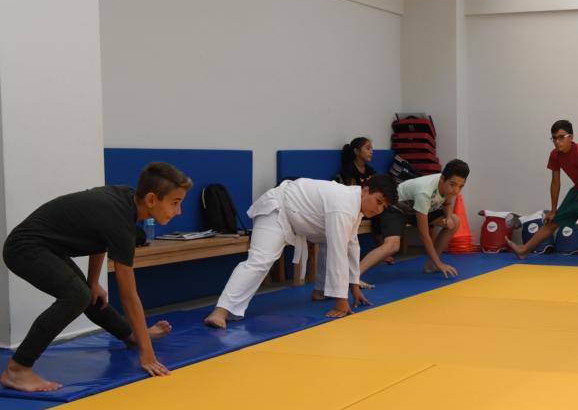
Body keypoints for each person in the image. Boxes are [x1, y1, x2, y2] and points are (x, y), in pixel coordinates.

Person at [1, 162, 192, 392]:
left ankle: (130, 335)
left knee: (88, 295)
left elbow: (99, 235)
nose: (178, 211)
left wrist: (93, 282)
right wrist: (148, 354)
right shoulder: (121, 223)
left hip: (45, 247)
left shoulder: (126, 200)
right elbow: (129, 295)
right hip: (24, 247)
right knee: (76, 295)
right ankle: (17, 369)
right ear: (151, 199)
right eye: (175, 203)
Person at [204, 173, 397, 328]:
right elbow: (338, 253)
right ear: (365, 190)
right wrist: (341, 302)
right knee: (261, 260)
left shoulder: (355, 206)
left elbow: (351, 245)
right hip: (277, 209)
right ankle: (220, 311)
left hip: (297, 219)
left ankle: (321, 290)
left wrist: (353, 285)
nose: (379, 210)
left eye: (384, 206)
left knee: (338, 241)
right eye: (378, 201)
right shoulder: (344, 204)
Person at [505, 119, 578, 266]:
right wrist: (553, 210)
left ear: (571, 137)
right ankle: (524, 250)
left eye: (561, 137)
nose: (557, 142)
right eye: (554, 138)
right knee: (553, 221)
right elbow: (555, 183)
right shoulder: (555, 155)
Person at [358, 159, 470, 280]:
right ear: (442, 179)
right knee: (393, 246)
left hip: (415, 210)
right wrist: (440, 264)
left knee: (455, 221)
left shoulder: (449, 187)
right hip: (396, 208)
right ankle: (355, 274)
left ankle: (431, 264)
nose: (456, 190)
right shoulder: (425, 192)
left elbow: (447, 203)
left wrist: (448, 217)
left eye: (460, 186)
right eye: (453, 185)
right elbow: (424, 234)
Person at [312, 137, 379, 300]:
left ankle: (347, 284)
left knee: (348, 244)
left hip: (357, 211)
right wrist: (342, 299)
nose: (371, 151)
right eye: (367, 148)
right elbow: (351, 196)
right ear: (356, 151)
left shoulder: (371, 171)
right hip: (341, 211)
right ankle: (324, 288)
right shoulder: (348, 172)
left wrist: (353, 284)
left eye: (372, 148)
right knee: (333, 244)